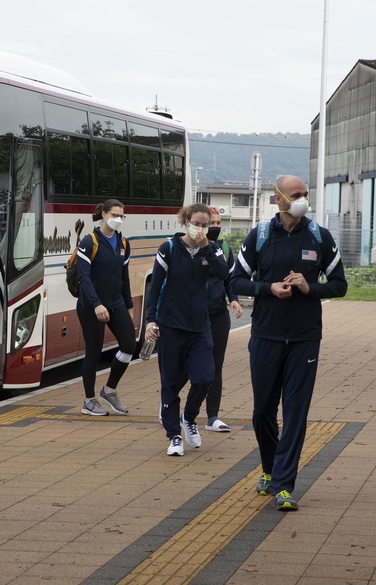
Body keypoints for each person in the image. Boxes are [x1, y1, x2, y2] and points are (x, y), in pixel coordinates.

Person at [229, 175, 347, 511]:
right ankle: (269, 468)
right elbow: (235, 279)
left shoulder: (319, 237)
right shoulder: (260, 236)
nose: (303, 200)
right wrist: (268, 288)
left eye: (306, 195)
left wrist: (310, 288)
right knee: (263, 410)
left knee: (295, 412)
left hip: (305, 338)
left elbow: (340, 285)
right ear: (278, 199)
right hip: (265, 335)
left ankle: (284, 485)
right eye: (296, 195)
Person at [144, 203, 228, 456]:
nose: (200, 229)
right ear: (186, 221)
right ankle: (174, 436)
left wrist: (205, 247)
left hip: (201, 327)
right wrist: (150, 320)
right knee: (170, 382)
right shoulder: (168, 248)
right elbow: (155, 286)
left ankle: (189, 418)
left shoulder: (212, 250)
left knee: (204, 377)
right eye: (197, 223)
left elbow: (225, 274)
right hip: (171, 326)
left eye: (205, 225)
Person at [75, 199, 136, 416]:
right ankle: (89, 400)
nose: (118, 219)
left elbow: (124, 276)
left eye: (121, 216)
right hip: (91, 305)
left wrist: (129, 305)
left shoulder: (123, 243)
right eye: (114, 215)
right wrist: (97, 304)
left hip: (116, 302)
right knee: (94, 351)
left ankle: (109, 390)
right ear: (104, 214)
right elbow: (84, 277)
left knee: (129, 345)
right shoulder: (89, 241)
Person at [203, 207, 243, 432]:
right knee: (191, 367)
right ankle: (169, 406)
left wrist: (234, 299)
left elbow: (229, 278)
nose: (215, 227)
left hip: (218, 314)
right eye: (211, 223)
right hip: (193, 316)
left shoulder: (224, 248)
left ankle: (212, 417)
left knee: (216, 365)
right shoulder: (185, 248)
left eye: (218, 222)